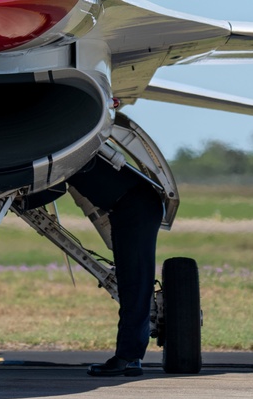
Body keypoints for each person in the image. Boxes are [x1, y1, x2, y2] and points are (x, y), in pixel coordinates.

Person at [19, 157, 164, 377]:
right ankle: (131, 358)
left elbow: (54, 188)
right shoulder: (77, 152)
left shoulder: (64, 157)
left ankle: (127, 358)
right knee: (133, 285)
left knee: (134, 286)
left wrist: (21, 201)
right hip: (131, 208)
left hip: (135, 209)